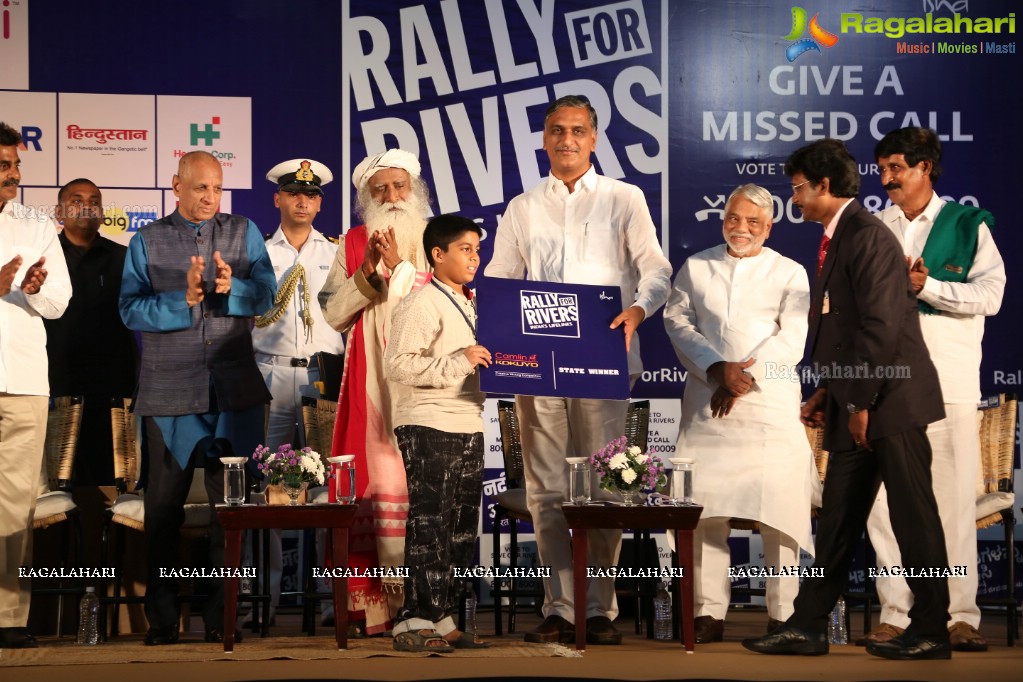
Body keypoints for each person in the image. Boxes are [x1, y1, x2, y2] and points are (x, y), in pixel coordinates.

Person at [742, 139, 951, 660]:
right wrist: (830, 393)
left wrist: (858, 404)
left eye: (798, 189)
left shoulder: (866, 236)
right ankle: (808, 626)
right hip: (860, 397)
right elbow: (849, 331)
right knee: (837, 519)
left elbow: (880, 330)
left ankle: (931, 630)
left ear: (824, 186)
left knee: (913, 518)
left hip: (890, 403)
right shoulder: (843, 236)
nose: (794, 199)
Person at [484, 95, 672, 645]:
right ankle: (560, 607)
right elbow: (500, 277)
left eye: (578, 131)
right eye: (557, 130)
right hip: (538, 366)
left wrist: (639, 309)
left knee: (605, 488)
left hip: (603, 360)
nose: (567, 139)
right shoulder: (523, 206)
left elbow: (655, 268)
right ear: (544, 138)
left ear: (594, 138)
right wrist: (493, 322)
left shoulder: (623, 197)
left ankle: (598, 610)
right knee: (546, 489)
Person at [119, 150, 275, 645]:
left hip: (233, 394)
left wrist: (236, 289)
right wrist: (180, 300)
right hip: (170, 397)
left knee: (229, 513)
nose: (210, 198)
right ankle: (163, 619)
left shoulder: (244, 231)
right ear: (176, 186)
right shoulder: (146, 240)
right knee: (162, 512)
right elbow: (129, 310)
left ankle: (219, 616)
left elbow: (269, 295)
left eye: (217, 188)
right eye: (200, 187)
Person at [859, 127, 1005, 652]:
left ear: (926, 168)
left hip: (949, 383)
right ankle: (897, 611)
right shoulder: (876, 227)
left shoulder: (967, 225)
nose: (887, 178)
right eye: (882, 168)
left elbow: (991, 294)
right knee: (886, 501)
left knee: (951, 500)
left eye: (896, 167)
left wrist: (928, 288)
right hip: (888, 385)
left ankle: (958, 614)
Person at [663, 183, 818, 642]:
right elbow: (677, 320)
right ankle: (708, 610)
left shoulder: (790, 272)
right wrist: (716, 369)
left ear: (769, 227)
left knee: (781, 508)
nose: (742, 228)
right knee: (704, 510)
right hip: (709, 407)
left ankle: (784, 611)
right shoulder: (697, 266)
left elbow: (793, 336)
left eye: (753, 221)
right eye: (734, 218)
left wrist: (743, 378)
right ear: (723, 218)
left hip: (768, 406)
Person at [318, 149, 431, 634]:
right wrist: (369, 271)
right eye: (379, 190)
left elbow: (456, 298)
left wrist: (400, 269)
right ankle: (382, 608)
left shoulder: (436, 238)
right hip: (372, 385)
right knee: (381, 482)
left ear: (415, 190)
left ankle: (425, 602)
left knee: (424, 489)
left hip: (427, 379)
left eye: (399, 186)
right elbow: (332, 312)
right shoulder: (352, 242)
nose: (391, 197)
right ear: (367, 198)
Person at [384, 214, 491, 652]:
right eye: (465, 249)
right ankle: (412, 620)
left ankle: (443, 616)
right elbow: (398, 364)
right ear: (437, 254)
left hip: (467, 419)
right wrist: (461, 361)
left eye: (477, 249)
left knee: (461, 529)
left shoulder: (469, 302)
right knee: (430, 524)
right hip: (428, 421)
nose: (474, 257)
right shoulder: (420, 301)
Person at [247, 158, 344, 625]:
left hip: (324, 378)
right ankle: (261, 603)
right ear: (278, 198)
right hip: (269, 375)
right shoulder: (259, 252)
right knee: (265, 491)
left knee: (328, 488)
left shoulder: (339, 254)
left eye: (310, 194)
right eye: (293, 193)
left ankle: (330, 600)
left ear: (320, 202)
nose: (302, 200)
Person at [0, 122, 72, 650]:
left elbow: (58, 301)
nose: (15, 175)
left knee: (13, 504)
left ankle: (6, 617)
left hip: (23, 380)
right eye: (5, 165)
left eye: (17, 165)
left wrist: (34, 289)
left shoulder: (34, 224)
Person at [45, 178, 138, 485]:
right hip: (55, 388)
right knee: (53, 484)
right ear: (59, 211)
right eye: (76, 199)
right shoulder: (42, 259)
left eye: (94, 200)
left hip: (111, 391)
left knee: (112, 481)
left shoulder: (124, 259)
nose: (86, 205)